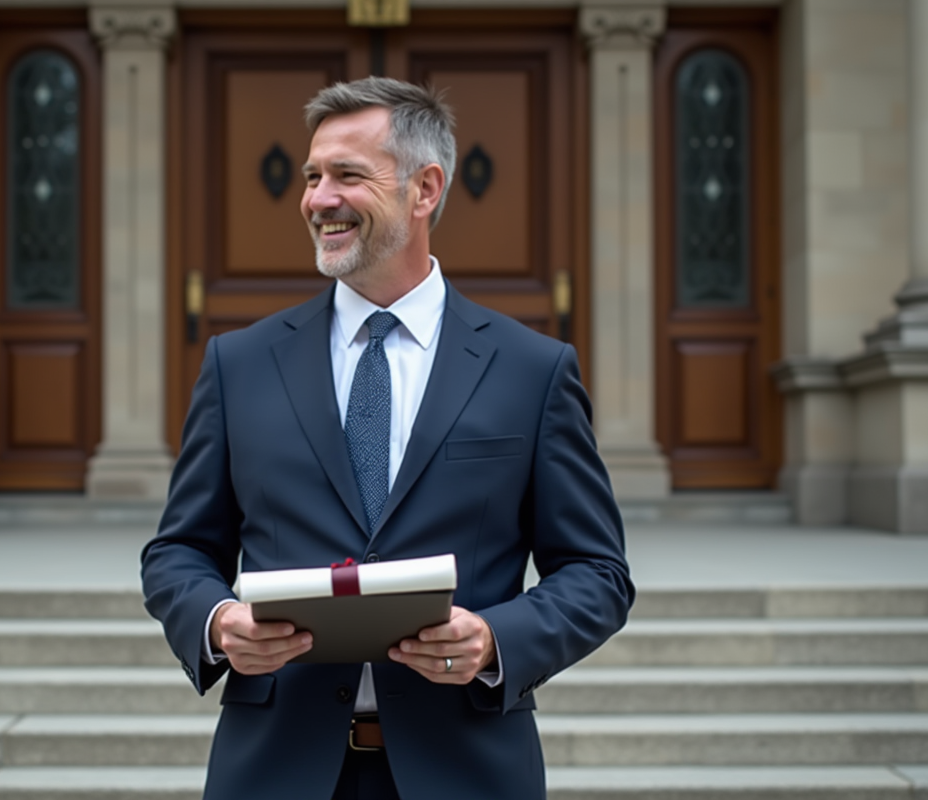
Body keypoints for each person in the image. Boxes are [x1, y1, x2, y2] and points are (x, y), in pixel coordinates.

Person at [141, 76, 632, 800]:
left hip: (466, 770)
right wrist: (217, 623)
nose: (317, 199)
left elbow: (597, 572)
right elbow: (179, 551)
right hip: (274, 770)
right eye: (312, 176)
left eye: (346, 175)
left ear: (424, 189)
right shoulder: (238, 365)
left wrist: (498, 640)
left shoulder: (534, 371)